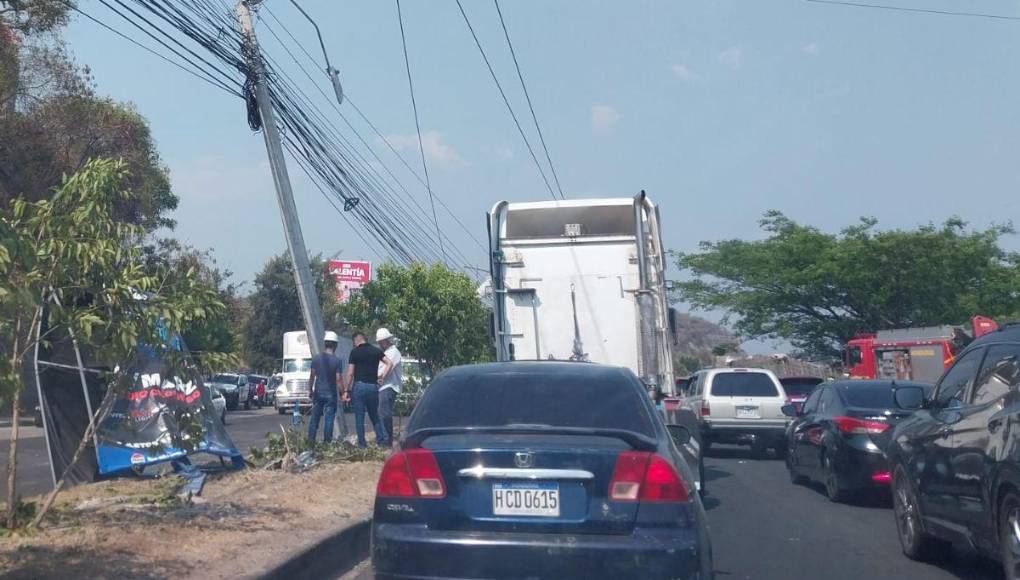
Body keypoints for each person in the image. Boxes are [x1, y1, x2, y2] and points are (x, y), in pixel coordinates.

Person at [346, 331, 392, 447]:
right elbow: (389, 363)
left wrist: (346, 390)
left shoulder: (354, 352)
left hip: (359, 386)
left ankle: (362, 445)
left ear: (356, 340)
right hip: (373, 387)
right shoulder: (376, 351)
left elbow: (350, 373)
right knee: (374, 415)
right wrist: (382, 377)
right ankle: (381, 442)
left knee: (359, 417)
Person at [307, 331, 345, 443]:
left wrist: (310, 390)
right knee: (329, 419)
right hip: (330, 394)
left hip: (318, 392)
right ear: (335, 345)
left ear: (325, 344)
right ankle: (327, 443)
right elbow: (338, 379)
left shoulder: (316, 358)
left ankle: (310, 441)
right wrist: (343, 393)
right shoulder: (337, 361)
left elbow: (312, 376)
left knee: (315, 418)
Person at [375, 328, 402, 448]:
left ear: (387, 340)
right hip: (383, 386)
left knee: (384, 413)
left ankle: (387, 440)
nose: (380, 344)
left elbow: (388, 368)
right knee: (381, 413)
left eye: (382, 341)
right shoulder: (385, 352)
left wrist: (380, 377)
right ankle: (385, 439)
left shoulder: (393, 352)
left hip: (389, 385)